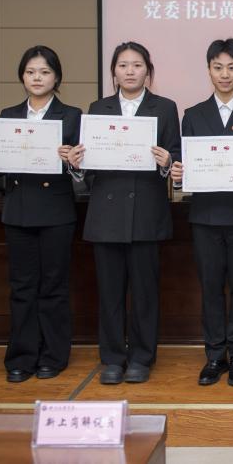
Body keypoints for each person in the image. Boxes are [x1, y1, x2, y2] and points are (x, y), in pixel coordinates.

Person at [68, 41, 180, 385]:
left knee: (145, 292)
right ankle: (113, 358)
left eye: (137, 65)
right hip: (107, 213)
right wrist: (77, 163)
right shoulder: (97, 108)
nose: (130, 71)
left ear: (148, 71)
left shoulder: (165, 108)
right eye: (123, 65)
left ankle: (142, 358)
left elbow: (176, 155)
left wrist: (168, 162)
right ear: (114, 72)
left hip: (146, 211)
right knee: (110, 293)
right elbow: (88, 164)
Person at [171, 38, 233, 387]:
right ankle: (215, 354)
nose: (225, 74)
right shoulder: (193, 115)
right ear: (209, 70)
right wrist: (179, 173)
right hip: (205, 217)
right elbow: (185, 167)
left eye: (232, 67)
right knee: (211, 287)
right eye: (218, 67)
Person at [0, 46, 82, 383]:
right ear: (22, 77)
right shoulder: (7, 115)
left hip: (56, 211)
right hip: (18, 210)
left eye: (45, 72)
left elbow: (81, 170)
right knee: (21, 287)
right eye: (31, 72)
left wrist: (73, 161)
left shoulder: (72, 116)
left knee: (53, 286)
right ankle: (21, 356)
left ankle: (53, 355)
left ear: (57, 77)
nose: (37, 78)